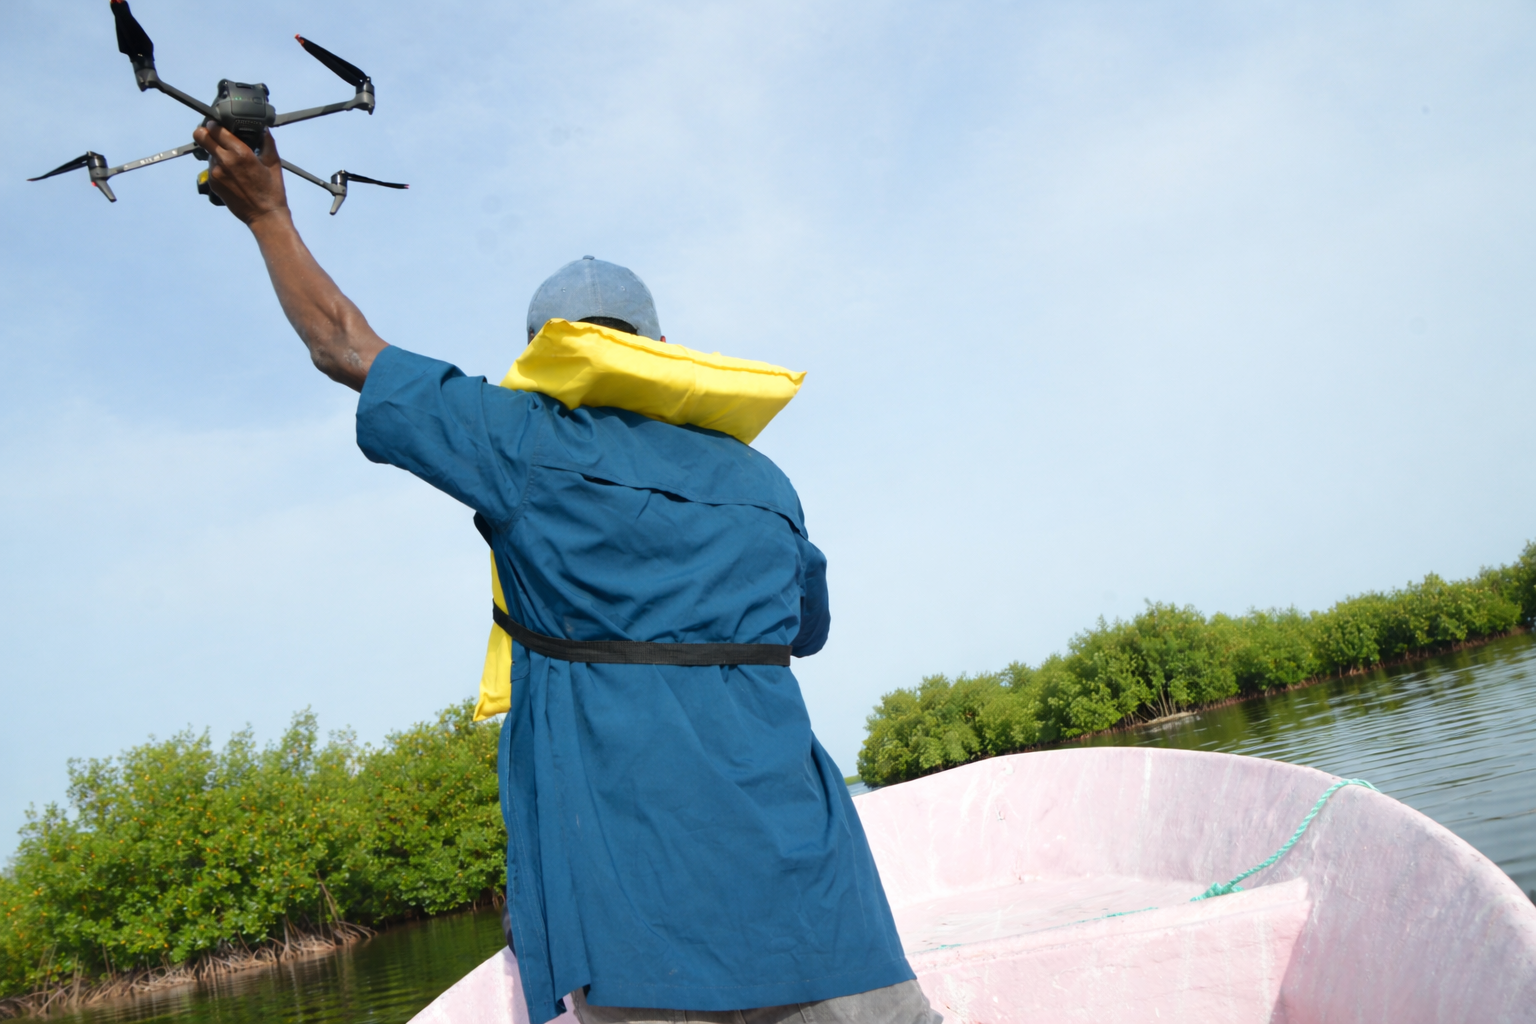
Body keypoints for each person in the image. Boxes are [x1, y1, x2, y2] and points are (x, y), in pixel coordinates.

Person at [192, 120, 941, 1024]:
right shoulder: (765, 480)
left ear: (547, 351)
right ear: (656, 345)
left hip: (646, 931)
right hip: (828, 914)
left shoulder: (525, 446)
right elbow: (807, 630)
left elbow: (344, 345)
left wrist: (267, 211)